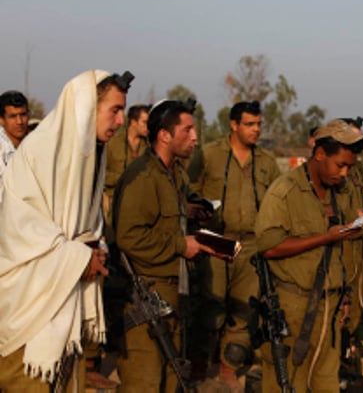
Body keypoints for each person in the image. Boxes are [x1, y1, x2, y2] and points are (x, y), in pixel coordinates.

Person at [0, 70, 131, 391]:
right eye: (114, 110)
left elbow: (83, 227)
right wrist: (78, 258)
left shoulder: (89, 155)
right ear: (88, 106)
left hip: (66, 301)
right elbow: (20, 230)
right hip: (30, 305)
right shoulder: (40, 151)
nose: (122, 120)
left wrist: (95, 249)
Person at [254, 121, 363, 392]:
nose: (344, 173)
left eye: (350, 167)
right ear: (319, 155)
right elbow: (268, 246)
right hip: (292, 307)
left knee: (326, 384)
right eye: (339, 165)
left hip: (330, 308)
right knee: (285, 383)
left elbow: (346, 251)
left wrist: (346, 296)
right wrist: (324, 238)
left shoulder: (343, 192)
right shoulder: (285, 191)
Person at [113, 99, 213, 392]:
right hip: (147, 293)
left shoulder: (173, 173)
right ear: (164, 135)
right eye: (187, 130)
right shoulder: (142, 176)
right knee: (145, 381)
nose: (195, 138)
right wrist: (181, 245)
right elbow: (128, 237)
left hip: (173, 292)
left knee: (172, 380)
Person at [187, 100, 280, 390]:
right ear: (234, 125)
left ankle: (229, 365)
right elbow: (187, 192)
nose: (256, 130)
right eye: (250, 124)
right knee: (210, 305)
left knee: (244, 310)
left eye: (259, 124)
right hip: (215, 240)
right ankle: (201, 362)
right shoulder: (208, 155)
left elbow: (277, 202)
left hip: (250, 245)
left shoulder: (266, 161)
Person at [104, 103, 149, 204]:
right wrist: (122, 178)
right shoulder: (112, 143)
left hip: (140, 202)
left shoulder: (149, 147)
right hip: (114, 201)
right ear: (133, 122)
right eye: (144, 122)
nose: (148, 127)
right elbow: (100, 173)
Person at [0, 90, 29, 192]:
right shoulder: (2, 149)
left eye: (23, 115)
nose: (19, 122)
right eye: (13, 116)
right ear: (1, 119)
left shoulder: (34, 145)